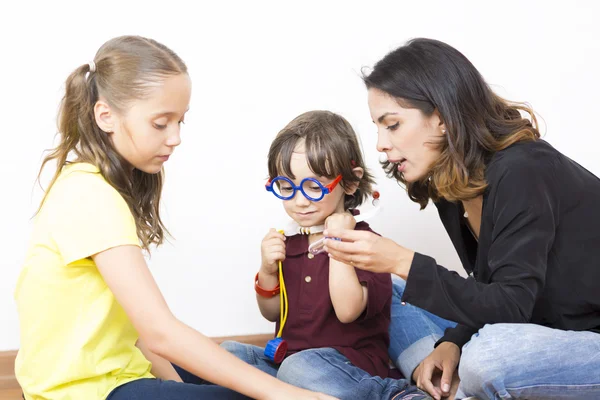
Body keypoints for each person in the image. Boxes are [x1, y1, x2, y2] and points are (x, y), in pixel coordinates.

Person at [14, 35, 335, 400]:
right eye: (161, 123)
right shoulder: (91, 196)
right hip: (85, 392)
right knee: (262, 393)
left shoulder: (89, 184)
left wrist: (176, 388)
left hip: (114, 373)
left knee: (236, 378)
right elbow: (159, 332)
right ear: (106, 116)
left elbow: (134, 329)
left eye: (180, 121)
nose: (176, 137)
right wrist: (286, 395)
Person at [323, 38, 600, 400]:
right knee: (387, 297)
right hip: (541, 327)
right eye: (378, 127)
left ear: (440, 119)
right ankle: (437, 382)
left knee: (489, 357)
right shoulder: (449, 185)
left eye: (391, 125)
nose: (380, 144)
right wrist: (450, 342)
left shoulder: (523, 170)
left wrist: (402, 261)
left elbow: (512, 306)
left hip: (584, 337)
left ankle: (451, 385)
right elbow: (491, 285)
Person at [221, 111, 431, 400]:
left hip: (348, 369)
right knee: (225, 355)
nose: (300, 201)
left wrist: (337, 245)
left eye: (314, 186)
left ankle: (391, 394)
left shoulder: (366, 244)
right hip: (291, 365)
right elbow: (273, 312)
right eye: (286, 186)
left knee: (299, 368)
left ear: (350, 183)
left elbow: (347, 311)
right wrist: (268, 270)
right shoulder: (291, 243)